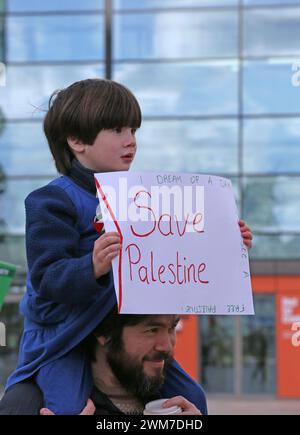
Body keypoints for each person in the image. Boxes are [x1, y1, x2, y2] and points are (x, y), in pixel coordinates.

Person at [1, 79, 253, 415]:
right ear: (77, 141)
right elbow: (47, 277)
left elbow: (169, 257)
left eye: (133, 130)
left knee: (195, 398)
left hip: (109, 335)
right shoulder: (53, 200)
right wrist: (90, 266)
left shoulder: (139, 198)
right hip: (62, 340)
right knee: (67, 407)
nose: (130, 141)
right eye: (118, 129)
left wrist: (223, 243)